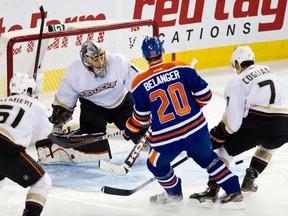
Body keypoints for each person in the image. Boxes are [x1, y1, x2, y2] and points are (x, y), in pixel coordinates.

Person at [123, 36, 244, 207]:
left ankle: (174, 193)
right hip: (196, 130)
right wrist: (189, 111)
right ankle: (234, 190)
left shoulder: (139, 82)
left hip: (166, 138)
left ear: (144, 56)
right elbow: (205, 96)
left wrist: (129, 130)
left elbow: (141, 117)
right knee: (208, 159)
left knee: (155, 165)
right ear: (162, 52)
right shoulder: (183, 67)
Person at [190, 46, 288, 202]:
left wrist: (216, 135)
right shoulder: (269, 70)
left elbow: (233, 123)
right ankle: (250, 178)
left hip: (258, 124)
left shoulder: (237, 81)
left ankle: (212, 188)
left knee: (225, 149)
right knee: (270, 144)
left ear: (236, 64)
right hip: (284, 125)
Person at [37, 39, 138, 164]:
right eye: (95, 59)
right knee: (93, 144)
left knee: (140, 131)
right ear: (86, 60)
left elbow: (141, 88)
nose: (101, 62)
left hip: (121, 103)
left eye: (102, 56)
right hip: (93, 107)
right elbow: (64, 104)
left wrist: (149, 110)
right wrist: (56, 126)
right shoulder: (75, 73)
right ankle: (67, 148)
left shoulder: (119, 63)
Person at [0, 73, 53, 216]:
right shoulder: (36, 105)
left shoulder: (1, 101)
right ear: (29, 90)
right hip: (5, 148)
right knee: (42, 182)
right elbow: (44, 133)